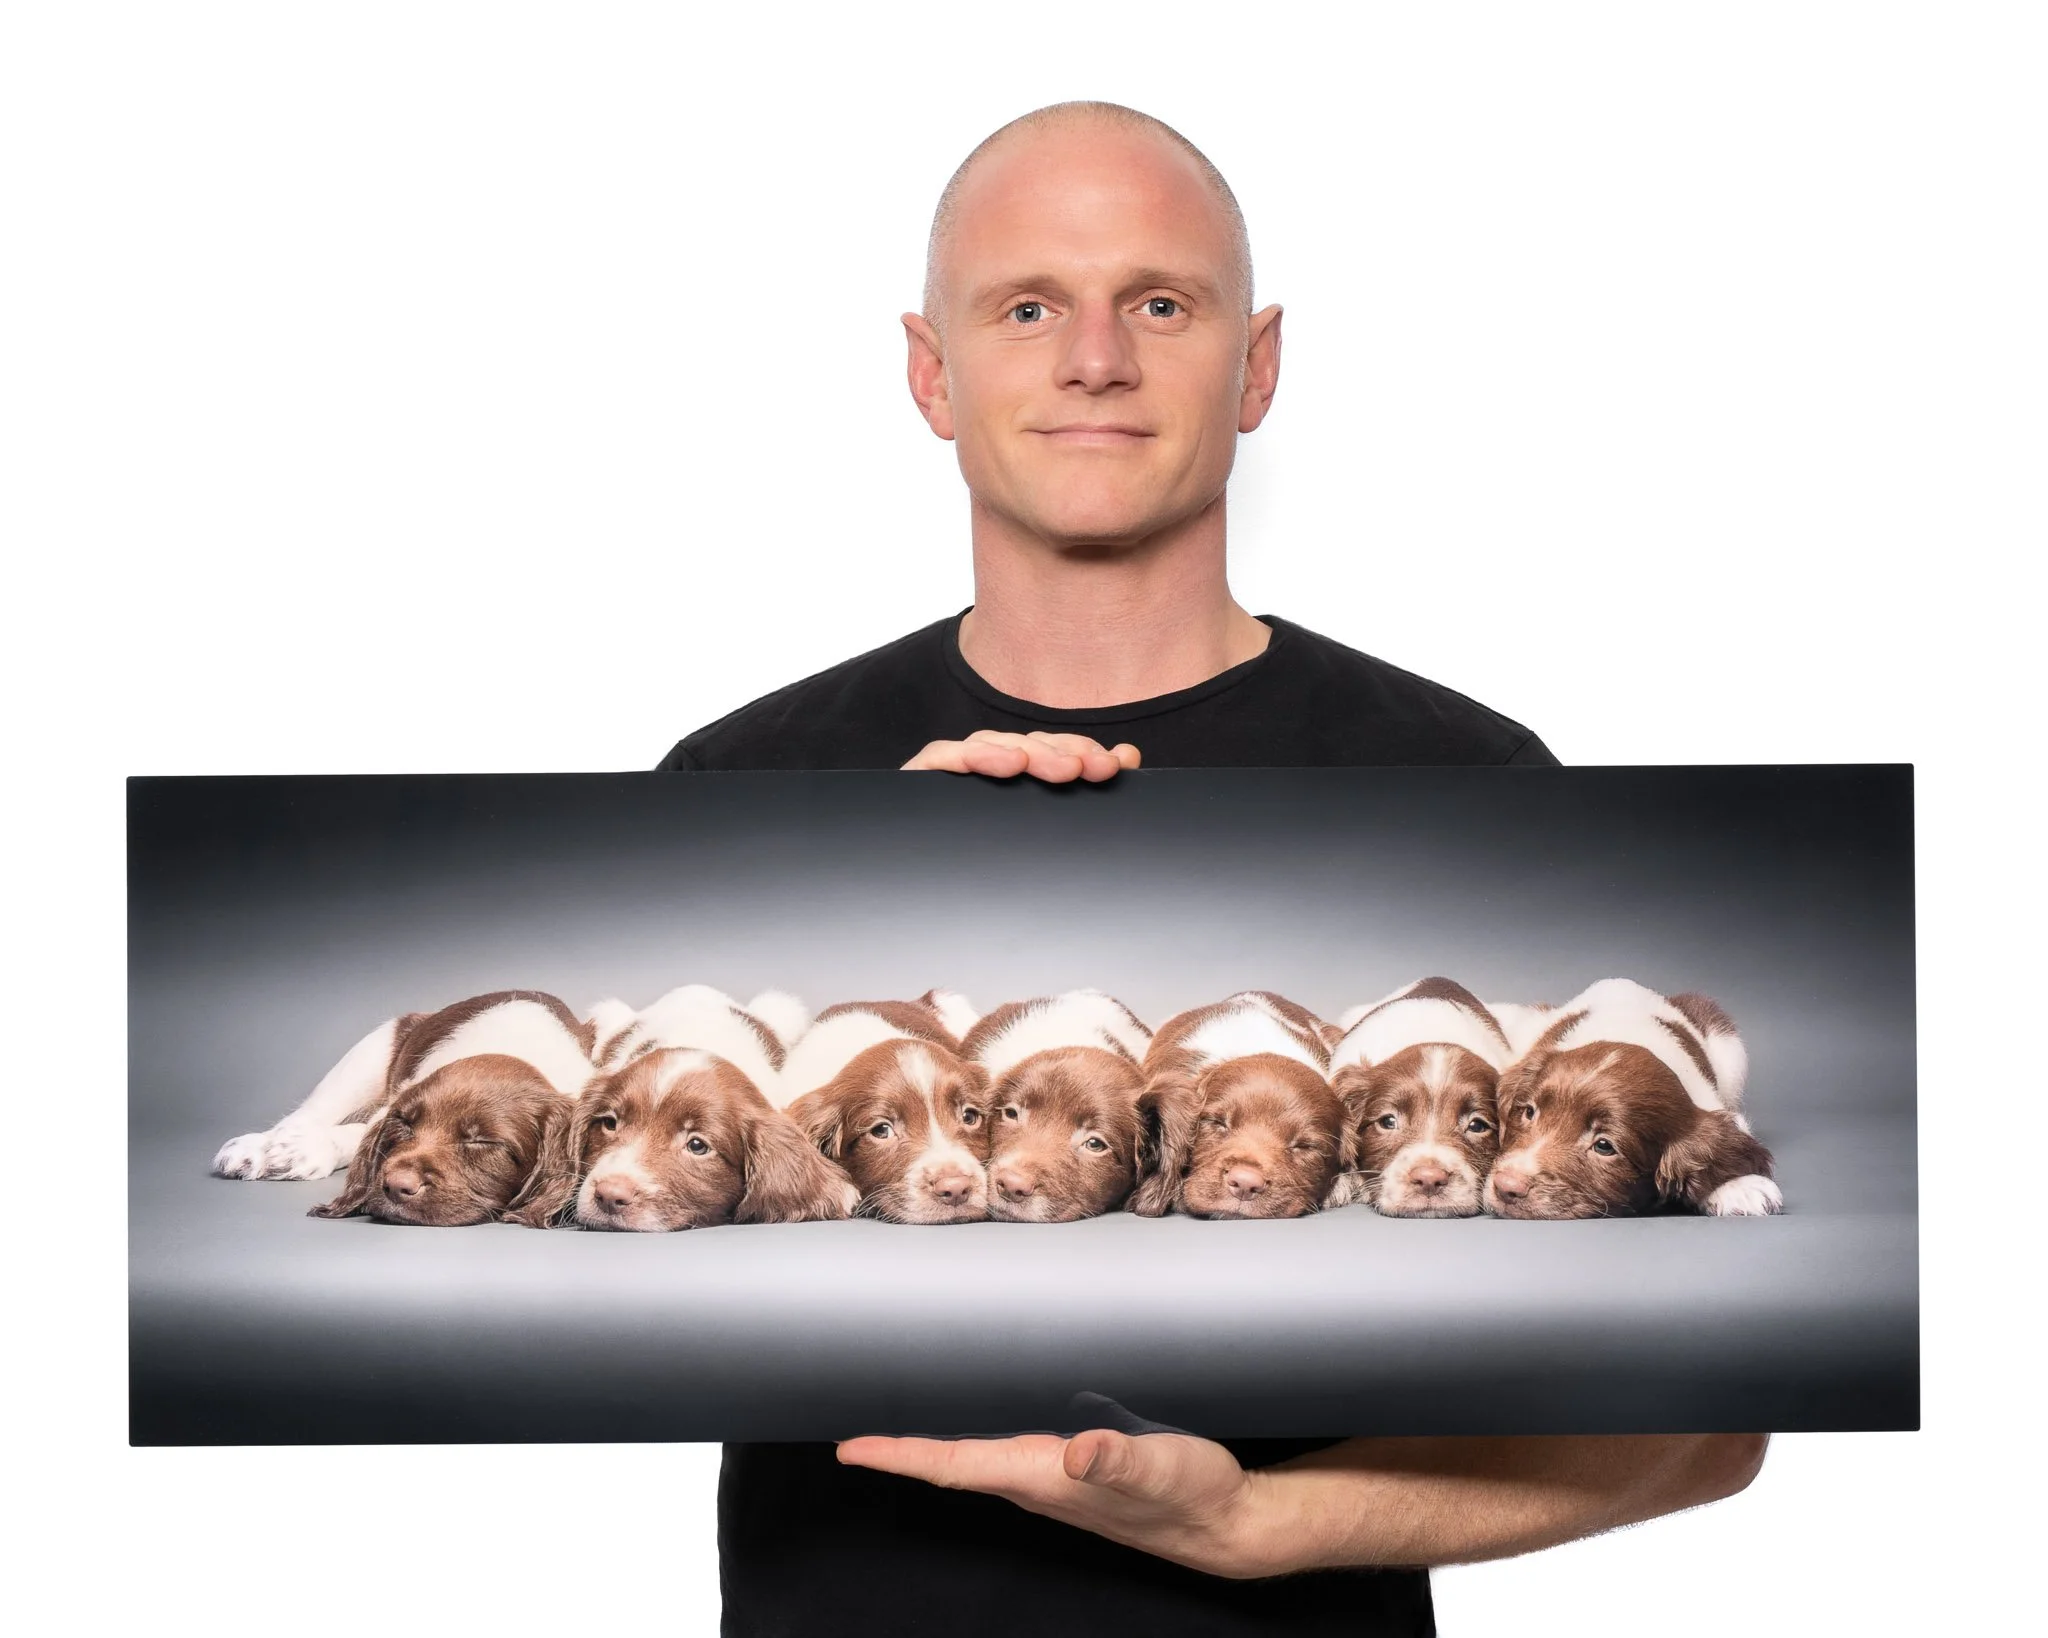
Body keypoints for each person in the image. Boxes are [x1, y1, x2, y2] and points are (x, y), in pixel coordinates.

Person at [663, 102, 1763, 1638]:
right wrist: (869, 885)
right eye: (1029, 305)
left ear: (1255, 368)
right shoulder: (743, 791)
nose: (1095, 356)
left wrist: (1262, 1522)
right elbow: (656, 1273)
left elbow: (1702, 1428)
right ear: (932, 372)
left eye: (1159, 304)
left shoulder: (1467, 789)